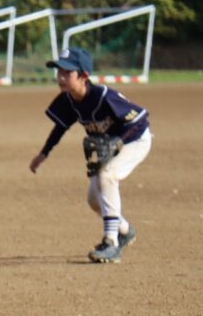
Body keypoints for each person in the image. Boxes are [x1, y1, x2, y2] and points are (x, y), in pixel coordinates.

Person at [28, 47, 152, 263]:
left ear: (84, 76)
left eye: (67, 73)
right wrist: (44, 153)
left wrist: (119, 141)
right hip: (110, 145)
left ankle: (111, 243)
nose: (61, 77)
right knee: (95, 199)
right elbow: (61, 126)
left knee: (107, 177)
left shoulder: (104, 96)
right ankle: (124, 230)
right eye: (59, 72)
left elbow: (141, 120)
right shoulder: (68, 100)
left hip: (135, 140)